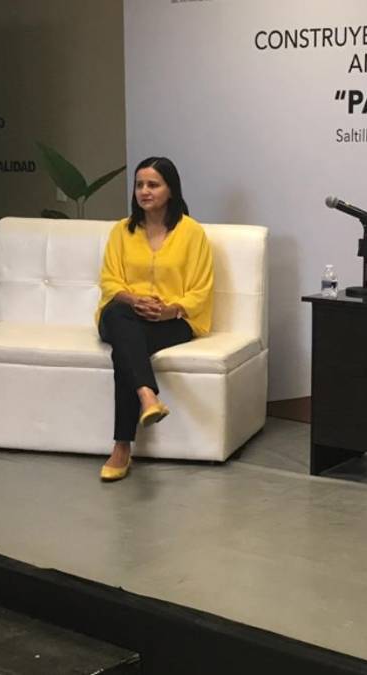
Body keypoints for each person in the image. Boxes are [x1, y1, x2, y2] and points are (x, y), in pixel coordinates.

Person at [95, 156, 213, 482]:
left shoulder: (192, 232)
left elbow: (200, 290)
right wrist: (135, 300)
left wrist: (169, 310)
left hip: (173, 319)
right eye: (139, 185)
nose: (144, 191)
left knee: (125, 350)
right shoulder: (122, 230)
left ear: (171, 190)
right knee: (118, 314)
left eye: (153, 185)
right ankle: (148, 396)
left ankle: (121, 447)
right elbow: (109, 282)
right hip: (124, 313)